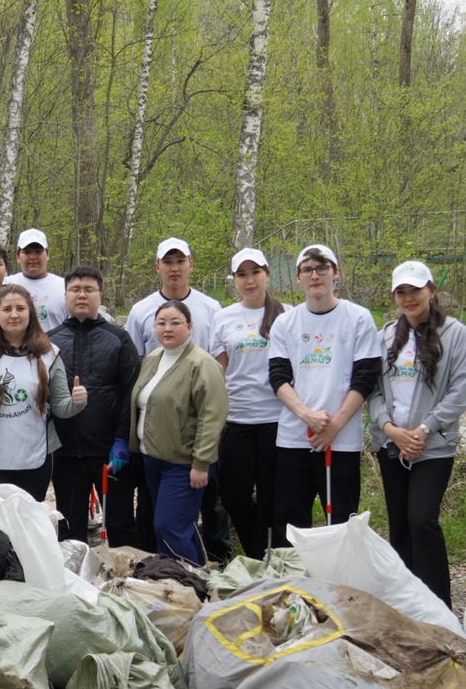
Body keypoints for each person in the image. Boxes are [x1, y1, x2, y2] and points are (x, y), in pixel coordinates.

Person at [368, 261, 466, 607]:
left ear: (431, 291)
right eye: (402, 291)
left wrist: (423, 430)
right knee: (399, 523)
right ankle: (407, 600)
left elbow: (461, 390)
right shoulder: (384, 336)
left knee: (422, 519)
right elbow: (374, 391)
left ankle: (437, 602)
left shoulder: (455, 333)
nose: (409, 298)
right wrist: (390, 429)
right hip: (391, 444)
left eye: (415, 290)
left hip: (433, 446)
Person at [124, 236, 230, 559]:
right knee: (169, 524)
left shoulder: (204, 352)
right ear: (158, 266)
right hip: (154, 455)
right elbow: (139, 387)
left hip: (186, 460)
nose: (167, 328)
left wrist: (201, 461)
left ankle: (193, 580)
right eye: (162, 323)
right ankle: (179, 574)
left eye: (179, 261)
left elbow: (212, 412)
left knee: (172, 525)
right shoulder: (154, 354)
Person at [267, 244, 381, 543]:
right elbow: (278, 378)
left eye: (322, 268)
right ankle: (292, 584)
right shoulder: (285, 322)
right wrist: (307, 415)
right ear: (298, 278)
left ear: (335, 273)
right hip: (295, 438)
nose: (315, 275)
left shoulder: (358, 318)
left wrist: (334, 427)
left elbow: (365, 379)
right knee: (289, 520)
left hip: (340, 440)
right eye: (307, 269)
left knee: (341, 520)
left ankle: (341, 583)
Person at [49, 266, 140, 543]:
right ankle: (74, 583)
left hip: (109, 452)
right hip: (65, 453)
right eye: (75, 289)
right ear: (65, 295)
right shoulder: (50, 340)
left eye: (89, 289)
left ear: (100, 295)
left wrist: (122, 439)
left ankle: (124, 582)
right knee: (69, 527)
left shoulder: (119, 338)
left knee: (120, 522)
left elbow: (131, 393)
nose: (82, 295)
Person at [0, 284, 86, 498]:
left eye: (20, 309)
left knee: (26, 528)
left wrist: (78, 402)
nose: (14, 315)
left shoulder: (50, 354)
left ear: (30, 313)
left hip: (34, 461)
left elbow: (61, 409)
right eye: (7, 309)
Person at [209, 247, 284, 560]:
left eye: (255, 272)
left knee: (271, 494)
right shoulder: (224, 317)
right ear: (235, 280)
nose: (249, 280)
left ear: (266, 275)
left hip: (277, 420)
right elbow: (219, 370)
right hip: (238, 419)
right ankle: (256, 551)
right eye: (242, 274)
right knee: (233, 493)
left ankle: (266, 557)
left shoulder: (287, 314)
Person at [5, 228, 68, 329]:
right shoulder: (6, 285)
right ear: (17, 256)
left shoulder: (64, 287)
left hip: (55, 344)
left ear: (47, 254)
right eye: (27, 252)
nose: (33, 257)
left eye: (38, 252)